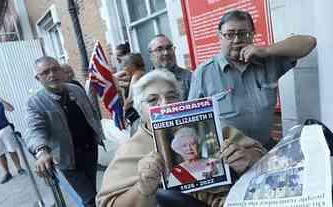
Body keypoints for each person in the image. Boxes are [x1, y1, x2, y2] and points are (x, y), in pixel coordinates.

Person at [97, 70, 266, 207]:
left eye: (171, 96)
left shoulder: (216, 128)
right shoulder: (131, 150)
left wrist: (246, 158)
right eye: (152, 100)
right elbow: (108, 203)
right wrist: (143, 188)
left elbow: (263, 158)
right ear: (141, 110)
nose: (165, 104)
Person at [188, 10, 317, 148]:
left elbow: (309, 42)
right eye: (230, 34)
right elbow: (192, 120)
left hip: (264, 149)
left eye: (243, 34)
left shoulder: (266, 61)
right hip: (230, 157)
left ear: (252, 34)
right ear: (219, 36)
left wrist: (266, 50)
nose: (237, 40)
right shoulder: (203, 73)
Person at [25, 56, 105, 206]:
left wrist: (98, 134)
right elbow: (35, 130)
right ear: (38, 78)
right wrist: (42, 151)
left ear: (62, 71)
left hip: (90, 151)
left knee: (92, 190)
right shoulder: (35, 102)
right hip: (67, 160)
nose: (52, 75)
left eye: (55, 69)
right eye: (45, 72)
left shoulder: (76, 89)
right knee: (90, 199)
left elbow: (91, 113)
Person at [148, 34, 192, 98]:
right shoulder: (146, 82)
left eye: (169, 48)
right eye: (159, 49)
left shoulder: (190, 78)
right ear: (151, 56)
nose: (166, 53)